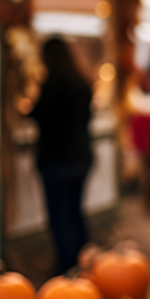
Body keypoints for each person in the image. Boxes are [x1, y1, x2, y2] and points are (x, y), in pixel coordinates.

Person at [30, 37, 93, 274]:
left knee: (59, 216)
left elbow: (39, 115)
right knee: (75, 212)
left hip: (57, 157)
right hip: (81, 155)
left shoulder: (53, 84)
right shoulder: (82, 83)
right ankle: (83, 262)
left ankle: (67, 267)